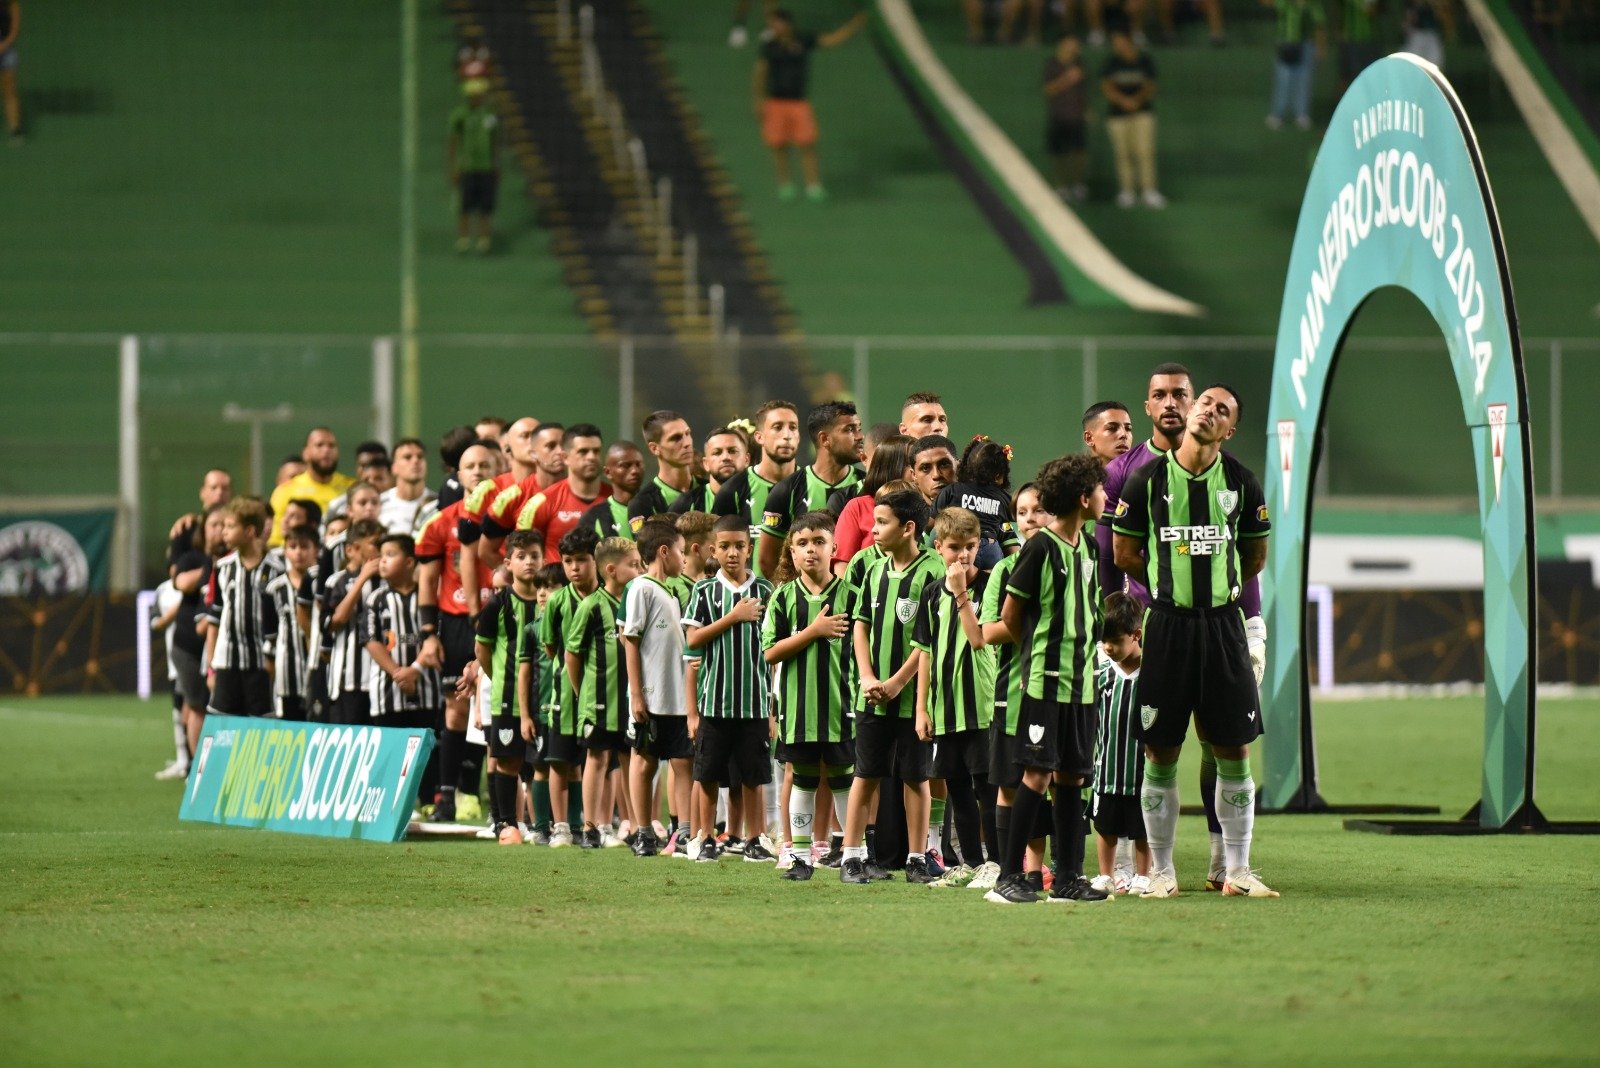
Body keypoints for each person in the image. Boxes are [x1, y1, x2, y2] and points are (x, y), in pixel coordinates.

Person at [1097, 362, 1266, 889]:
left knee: (1233, 746)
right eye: (1205, 403)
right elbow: (1122, 553)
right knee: (1160, 748)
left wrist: (1227, 600)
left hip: (1223, 628)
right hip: (1165, 628)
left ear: (1229, 428)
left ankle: (1236, 869)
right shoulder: (1146, 478)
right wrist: (1171, 583)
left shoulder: (1240, 480)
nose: (1207, 412)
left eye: (1222, 409)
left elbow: (1254, 556)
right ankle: (1163, 872)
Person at [988, 455, 1111, 905]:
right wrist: (1034, 659)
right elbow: (1010, 615)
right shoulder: (1040, 549)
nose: (1106, 496)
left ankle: (1069, 878)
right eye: (1100, 489)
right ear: (1083, 498)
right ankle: (1008, 876)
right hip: (1045, 682)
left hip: (1083, 684)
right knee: (1037, 776)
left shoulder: (1092, 548)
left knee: (1073, 779)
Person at [840, 488, 945, 885]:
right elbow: (860, 624)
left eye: (882, 522)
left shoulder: (933, 571)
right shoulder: (872, 569)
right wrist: (868, 677)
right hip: (872, 696)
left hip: (914, 699)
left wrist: (900, 682)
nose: (873, 528)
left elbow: (930, 641)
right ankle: (852, 856)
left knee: (916, 777)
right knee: (865, 773)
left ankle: (917, 858)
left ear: (909, 528)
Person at [762, 511, 856, 880]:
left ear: (834, 546)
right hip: (797, 710)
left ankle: (852, 855)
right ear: (792, 552)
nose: (811, 550)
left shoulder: (852, 595)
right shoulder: (784, 598)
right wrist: (813, 631)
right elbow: (769, 653)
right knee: (801, 778)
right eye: (802, 543)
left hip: (842, 707)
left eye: (819, 541)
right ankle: (801, 857)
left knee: (843, 779)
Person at [973, 481, 1051, 894]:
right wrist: (1041, 627)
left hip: (1057, 691)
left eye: (1038, 510)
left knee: (1046, 782)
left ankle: (1038, 869)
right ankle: (1010, 869)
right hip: (1012, 690)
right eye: (1022, 512)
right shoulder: (1004, 570)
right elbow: (987, 632)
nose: (1030, 518)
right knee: (1009, 782)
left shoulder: (1067, 561)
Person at [913, 508, 997, 888]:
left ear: (980, 546)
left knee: (986, 786)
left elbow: (979, 637)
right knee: (957, 784)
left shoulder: (991, 585)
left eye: (970, 547)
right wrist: (921, 709)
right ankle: (971, 862)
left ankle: (996, 862)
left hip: (981, 704)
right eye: (954, 548)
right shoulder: (932, 593)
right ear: (938, 547)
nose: (962, 556)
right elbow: (925, 653)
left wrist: (961, 590)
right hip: (945, 708)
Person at [684, 516, 776, 862]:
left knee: (754, 776)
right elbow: (692, 638)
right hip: (714, 703)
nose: (732, 552)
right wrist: (732, 618)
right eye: (725, 546)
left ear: (749, 549)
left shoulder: (765, 591)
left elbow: (774, 651)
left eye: (739, 545)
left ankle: (756, 838)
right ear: (713, 550)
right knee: (708, 774)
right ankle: (704, 836)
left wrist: (771, 708)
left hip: (753, 703)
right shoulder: (705, 591)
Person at [417, 443, 498, 823]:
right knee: (456, 708)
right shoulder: (439, 522)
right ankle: (447, 796)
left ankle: (476, 793)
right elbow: (428, 579)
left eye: (486, 464)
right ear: (458, 475)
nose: (478, 470)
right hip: (457, 621)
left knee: (496, 709)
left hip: (500, 618)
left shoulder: (509, 515)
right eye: (471, 465)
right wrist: (428, 633)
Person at [618, 518, 692, 857]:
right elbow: (629, 640)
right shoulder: (641, 588)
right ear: (664, 552)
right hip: (650, 696)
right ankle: (643, 831)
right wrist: (636, 693)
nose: (683, 559)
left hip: (678, 698)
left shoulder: (672, 593)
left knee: (682, 762)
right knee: (644, 761)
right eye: (679, 551)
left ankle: (686, 833)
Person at [567, 536, 641, 849]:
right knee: (596, 759)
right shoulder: (591, 606)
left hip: (628, 700)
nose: (639, 570)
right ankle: (590, 827)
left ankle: (636, 826)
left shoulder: (637, 601)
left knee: (630, 760)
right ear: (611, 570)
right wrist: (581, 690)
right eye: (633, 565)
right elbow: (572, 653)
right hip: (598, 700)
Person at [753, 7, 868, 203]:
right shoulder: (769, 47)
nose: (773, 27)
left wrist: (853, 26)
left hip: (798, 103)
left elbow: (832, 40)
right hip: (776, 103)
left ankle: (813, 186)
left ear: (787, 24)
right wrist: (757, 99)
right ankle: (785, 186)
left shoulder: (803, 40)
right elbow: (760, 73)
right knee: (778, 146)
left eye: (776, 23)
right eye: (771, 24)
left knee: (807, 144)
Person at [475, 530, 543, 844]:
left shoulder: (550, 600)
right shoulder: (498, 605)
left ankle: (550, 825)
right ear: (508, 563)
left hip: (545, 698)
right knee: (508, 761)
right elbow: (482, 651)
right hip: (507, 699)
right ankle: (506, 825)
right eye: (521, 556)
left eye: (534, 555)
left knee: (549, 762)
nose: (529, 562)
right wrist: (500, 676)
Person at [540, 527, 602, 848]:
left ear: (597, 560)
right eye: (568, 561)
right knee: (561, 761)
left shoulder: (607, 596)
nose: (574, 568)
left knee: (597, 757)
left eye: (582, 560)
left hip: (602, 692)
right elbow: (551, 647)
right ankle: (561, 826)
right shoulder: (557, 602)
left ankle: (593, 824)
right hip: (564, 694)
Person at [758, 401, 864, 581]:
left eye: (858, 428)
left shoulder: (866, 485)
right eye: (849, 430)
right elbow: (768, 562)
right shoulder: (787, 490)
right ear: (825, 439)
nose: (860, 436)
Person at [1091, 591, 1152, 895]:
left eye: (1114, 641)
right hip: (1107, 769)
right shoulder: (1101, 674)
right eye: (1103, 640)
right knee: (1105, 826)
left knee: (1143, 827)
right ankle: (1106, 874)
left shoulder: (1152, 675)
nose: (1107, 647)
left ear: (1136, 635)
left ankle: (1143, 875)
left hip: (1143, 772)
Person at [203, 498, 282, 720]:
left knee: (262, 725)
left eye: (229, 526)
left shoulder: (276, 570)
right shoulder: (223, 568)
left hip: (261, 664)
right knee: (222, 725)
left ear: (249, 531)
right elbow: (215, 618)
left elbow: (280, 621)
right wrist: (211, 666)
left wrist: (275, 660)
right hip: (228, 662)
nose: (223, 532)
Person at [511, 424, 611, 564]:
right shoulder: (541, 502)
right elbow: (523, 559)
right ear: (565, 457)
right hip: (556, 585)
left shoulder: (615, 499)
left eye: (596, 451)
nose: (591, 457)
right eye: (583, 451)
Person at [710, 400, 801, 539]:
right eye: (778, 427)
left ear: (799, 436)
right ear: (759, 437)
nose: (787, 435)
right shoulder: (732, 491)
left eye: (793, 427)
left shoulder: (810, 484)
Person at [324, 519, 385, 725]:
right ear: (352, 550)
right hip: (347, 679)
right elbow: (335, 621)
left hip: (381, 679)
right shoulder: (336, 581)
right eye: (376, 544)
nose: (381, 550)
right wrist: (362, 578)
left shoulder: (387, 581)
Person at [830, 434, 916, 574]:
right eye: (910, 464)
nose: (916, 471)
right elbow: (842, 572)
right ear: (891, 466)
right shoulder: (857, 507)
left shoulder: (927, 507)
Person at [1102, 31, 1165, 210]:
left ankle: (1149, 191)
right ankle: (1127, 192)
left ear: (1129, 41)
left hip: (1143, 112)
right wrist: (1123, 101)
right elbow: (1106, 87)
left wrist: (1136, 101)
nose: (1117, 46)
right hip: (1117, 115)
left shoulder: (1145, 61)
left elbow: (1150, 85)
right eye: (1115, 42)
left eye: (1120, 41)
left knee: (1145, 152)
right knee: (1123, 153)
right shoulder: (1111, 62)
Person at [934, 436, 1018, 571]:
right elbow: (1011, 524)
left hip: (959, 547)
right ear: (998, 475)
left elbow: (931, 524)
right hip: (991, 549)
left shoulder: (952, 491)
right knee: (990, 587)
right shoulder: (1004, 498)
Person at [265, 525, 319, 721]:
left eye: (304, 546)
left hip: (318, 666)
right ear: (285, 550)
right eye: (293, 546)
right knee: (291, 725)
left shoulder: (324, 583)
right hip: (288, 671)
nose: (298, 552)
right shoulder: (274, 588)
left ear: (317, 549)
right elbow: (270, 637)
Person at [269, 428, 354, 546]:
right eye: (319, 445)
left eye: (332, 446)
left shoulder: (352, 488)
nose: (326, 450)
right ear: (306, 453)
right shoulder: (285, 491)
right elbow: (276, 539)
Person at [448, 77, 501, 254]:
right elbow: (454, 143)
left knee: (486, 207)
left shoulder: (490, 116)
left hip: (486, 168)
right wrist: (454, 167)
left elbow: (495, 142)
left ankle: (484, 239)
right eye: (472, 95)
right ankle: (463, 239)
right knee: (465, 207)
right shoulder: (460, 115)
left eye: (478, 95)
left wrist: (496, 165)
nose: (475, 98)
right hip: (467, 168)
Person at [627, 410, 700, 529]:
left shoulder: (710, 489)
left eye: (688, 434)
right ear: (654, 448)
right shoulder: (641, 504)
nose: (687, 443)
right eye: (676, 438)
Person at [1266, 0, 1327, 130]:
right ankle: (1277, 113)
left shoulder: (1313, 5)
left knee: (1304, 80)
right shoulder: (1284, 3)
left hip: (1306, 46)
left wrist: (1320, 48)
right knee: (1283, 80)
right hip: (1285, 44)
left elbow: (1319, 26)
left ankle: (1301, 114)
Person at [1044, 35, 1090, 202]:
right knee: (1059, 152)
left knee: (1079, 151)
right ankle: (1061, 185)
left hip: (1076, 116)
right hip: (1058, 115)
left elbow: (1083, 92)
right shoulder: (1052, 65)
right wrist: (1067, 79)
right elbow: (1049, 89)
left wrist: (1085, 110)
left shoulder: (1080, 64)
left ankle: (1078, 184)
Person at [670, 424, 750, 514]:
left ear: (746, 459)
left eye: (732, 451)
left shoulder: (766, 497)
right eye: (717, 453)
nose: (725, 457)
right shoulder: (685, 504)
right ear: (706, 463)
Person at [576, 441, 646, 540]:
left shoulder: (657, 506)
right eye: (626, 466)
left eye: (638, 464)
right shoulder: (594, 517)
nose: (635, 470)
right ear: (608, 472)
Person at [167, 469, 234, 565]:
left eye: (225, 488)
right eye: (214, 488)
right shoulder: (186, 527)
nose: (219, 492)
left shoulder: (240, 528)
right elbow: (174, 571)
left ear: (231, 493)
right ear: (202, 492)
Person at [380, 438, 437, 536]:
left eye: (420, 456)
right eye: (407, 457)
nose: (415, 461)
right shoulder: (378, 504)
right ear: (394, 468)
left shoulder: (437, 504)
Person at [1338, 0, 1381, 89]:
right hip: (1351, 39)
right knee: (1350, 75)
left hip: (1369, 39)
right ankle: (1351, 100)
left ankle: (1368, 99)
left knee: (1370, 73)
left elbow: (1374, 10)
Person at [910, 435, 958, 505]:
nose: (936, 475)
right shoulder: (903, 515)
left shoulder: (977, 510)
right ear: (914, 475)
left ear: (959, 466)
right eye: (925, 468)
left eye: (944, 465)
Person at [1, 2, 21, 144]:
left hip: (6, 52)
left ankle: (15, 129)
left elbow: (14, 30)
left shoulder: (11, 4)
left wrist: (3, 46)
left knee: (9, 90)